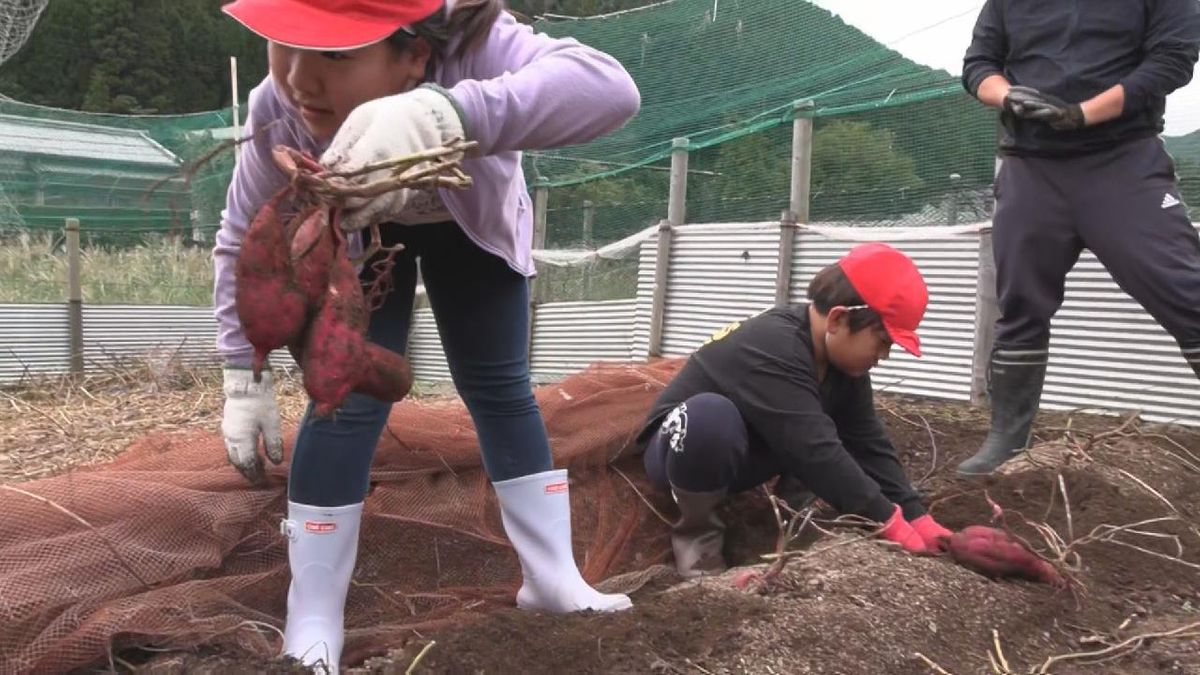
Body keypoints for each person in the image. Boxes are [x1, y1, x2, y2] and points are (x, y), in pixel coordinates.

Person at [213, 0, 641, 670]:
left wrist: (446, 114)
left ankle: (553, 577)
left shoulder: (476, 46)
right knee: (346, 400)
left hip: (467, 223)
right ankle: (314, 610)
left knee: (498, 386)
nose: (299, 78)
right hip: (355, 241)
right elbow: (240, 235)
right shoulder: (279, 106)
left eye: (333, 54)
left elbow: (609, 89)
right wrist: (243, 370)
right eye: (284, 43)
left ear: (414, 55)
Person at [958, 1, 1200, 475]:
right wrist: (1008, 96)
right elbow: (979, 64)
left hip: (1124, 160)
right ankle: (1008, 437)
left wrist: (1083, 114)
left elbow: (1171, 62)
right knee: (1021, 302)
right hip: (1031, 165)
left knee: (1185, 289)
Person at [636, 243, 953, 579]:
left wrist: (916, 514)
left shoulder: (841, 366)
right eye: (884, 342)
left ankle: (788, 520)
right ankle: (698, 543)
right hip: (680, 446)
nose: (884, 356)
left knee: (815, 424)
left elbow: (868, 443)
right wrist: (890, 523)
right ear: (839, 319)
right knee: (714, 417)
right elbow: (814, 451)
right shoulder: (774, 346)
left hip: (748, 448)